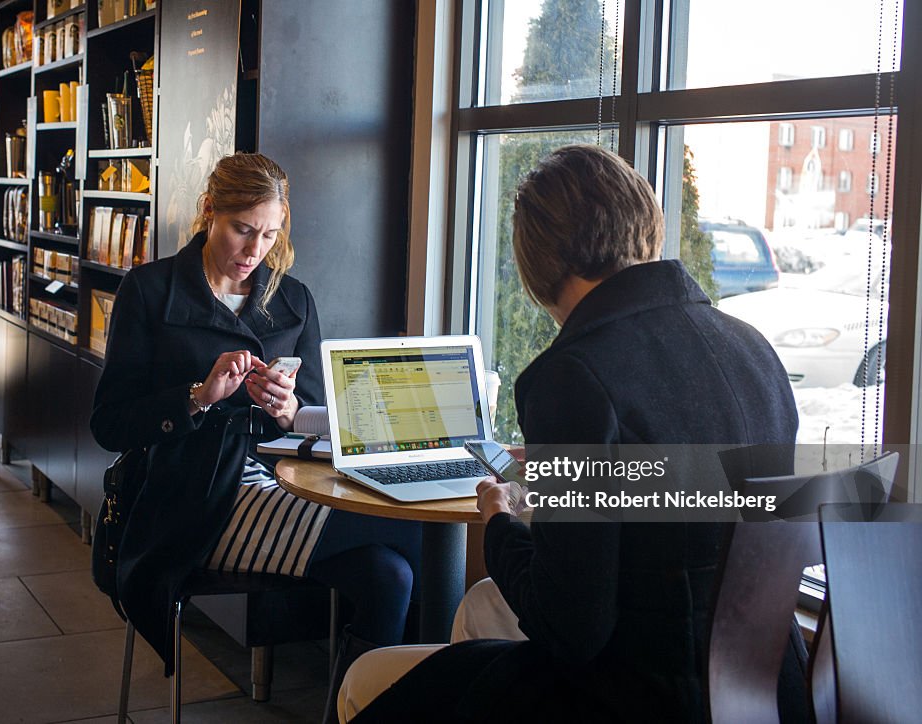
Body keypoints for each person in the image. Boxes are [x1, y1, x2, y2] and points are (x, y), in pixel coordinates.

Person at [337, 144, 800, 722]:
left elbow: (572, 626)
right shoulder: (753, 348)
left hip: (639, 696)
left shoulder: (572, 376)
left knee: (368, 679)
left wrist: (500, 518)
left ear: (540, 259)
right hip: (766, 688)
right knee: (482, 608)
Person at [90, 152, 418, 721]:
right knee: (408, 527)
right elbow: (109, 424)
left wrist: (291, 411)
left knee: (391, 576)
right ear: (210, 211)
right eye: (243, 230)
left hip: (278, 484)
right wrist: (199, 396)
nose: (255, 250)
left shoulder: (294, 299)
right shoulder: (149, 291)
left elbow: (315, 414)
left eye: (269, 234)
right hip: (188, 500)